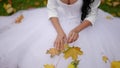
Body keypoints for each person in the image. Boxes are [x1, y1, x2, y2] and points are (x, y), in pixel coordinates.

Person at [0, 0, 120, 68]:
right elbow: (52, 10)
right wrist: (60, 32)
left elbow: (92, 15)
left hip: (82, 23)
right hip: (58, 21)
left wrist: (76, 30)